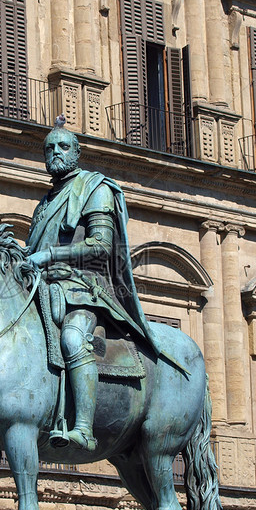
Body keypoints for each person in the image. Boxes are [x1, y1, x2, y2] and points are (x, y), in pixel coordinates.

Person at [26, 117, 161, 451]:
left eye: (63, 146)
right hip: (43, 290)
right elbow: (32, 251)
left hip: (83, 291)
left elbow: (101, 246)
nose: (55, 153)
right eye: (49, 148)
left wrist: (49, 256)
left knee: (72, 339)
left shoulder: (95, 188)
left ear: (77, 152)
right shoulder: (43, 204)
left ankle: (83, 428)